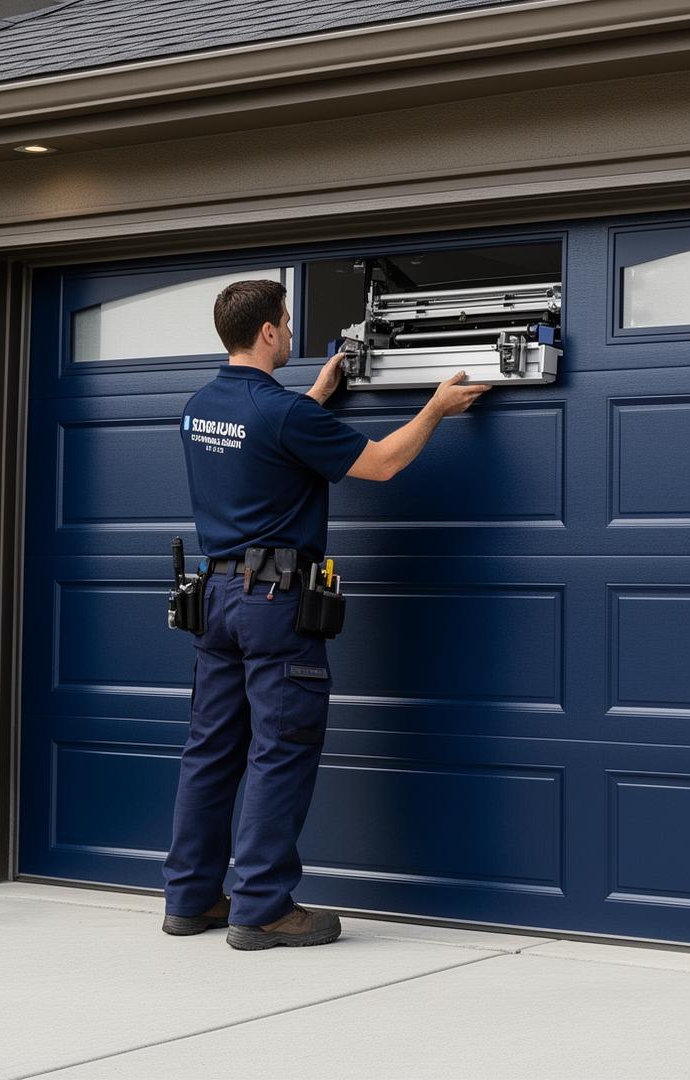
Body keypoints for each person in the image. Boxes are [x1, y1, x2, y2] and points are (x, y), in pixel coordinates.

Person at [161, 278, 488, 949]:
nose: (289, 330)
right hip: (275, 607)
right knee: (281, 750)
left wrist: (314, 398)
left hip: (217, 601)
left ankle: (190, 899)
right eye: (286, 320)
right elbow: (384, 464)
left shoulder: (200, 408)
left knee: (210, 753)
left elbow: (266, 449)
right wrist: (437, 407)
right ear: (269, 332)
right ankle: (261, 908)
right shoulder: (282, 414)